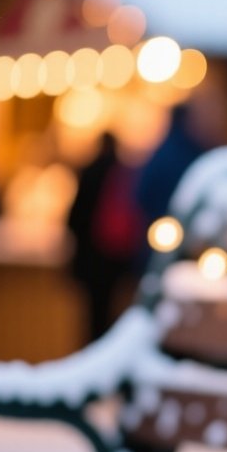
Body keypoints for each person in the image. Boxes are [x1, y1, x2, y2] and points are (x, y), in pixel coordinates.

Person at [66, 132, 141, 339]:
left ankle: (92, 355)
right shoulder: (124, 174)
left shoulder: (90, 171)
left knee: (92, 316)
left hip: (92, 257)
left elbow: (75, 218)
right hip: (115, 257)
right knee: (112, 313)